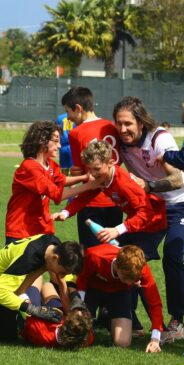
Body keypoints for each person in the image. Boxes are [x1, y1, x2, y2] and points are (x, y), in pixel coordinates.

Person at [113, 96, 184, 342]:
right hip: (154, 204)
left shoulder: (159, 138)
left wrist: (148, 186)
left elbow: (177, 180)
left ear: (141, 122)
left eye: (128, 124)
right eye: (119, 124)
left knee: (173, 255)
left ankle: (177, 322)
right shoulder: (121, 145)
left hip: (183, 202)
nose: (123, 129)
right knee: (129, 255)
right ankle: (130, 317)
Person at [53, 140, 167, 260]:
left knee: (129, 265)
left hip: (152, 225)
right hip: (135, 223)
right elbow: (85, 197)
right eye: (89, 169)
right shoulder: (103, 178)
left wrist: (117, 230)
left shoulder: (123, 183)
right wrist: (65, 213)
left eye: (97, 169)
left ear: (110, 163)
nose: (92, 174)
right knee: (110, 259)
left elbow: (146, 213)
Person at [5, 121, 98, 244]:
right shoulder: (29, 167)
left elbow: (61, 180)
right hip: (21, 231)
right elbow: (56, 194)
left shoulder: (50, 164)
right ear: (42, 141)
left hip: (43, 227)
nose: (59, 146)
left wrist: (84, 177)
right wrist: (89, 186)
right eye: (55, 140)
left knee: (60, 260)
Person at [62, 87, 122, 248]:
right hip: (116, 200)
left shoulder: (76, 133)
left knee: (91, 255)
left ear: (78, 108)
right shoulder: (111, 127)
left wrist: (78, 172)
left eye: (68, 111)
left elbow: (79, 170)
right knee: (113, 252)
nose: (68, 117)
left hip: (90, 202)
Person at [76, 244, 164, 353]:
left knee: (122, 342)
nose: (131, 282)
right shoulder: (95, 255)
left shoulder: (142, 268)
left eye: (134, 279)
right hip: (92, 290)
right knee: (82, 340)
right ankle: (96, 320)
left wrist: (155, 339)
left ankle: (108, 317)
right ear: (117, 265)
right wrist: (79, 307)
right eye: (127, 278)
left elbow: (154, 302)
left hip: (118, 293)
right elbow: (81, 279)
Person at [18, 276, 94, 349]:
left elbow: (25, 306)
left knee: (36, 279)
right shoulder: (85, 336)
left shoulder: (41, 331)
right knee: (48, 285)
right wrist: (61, 282)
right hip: (55, 318)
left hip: (32, 318)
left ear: (65, 321)